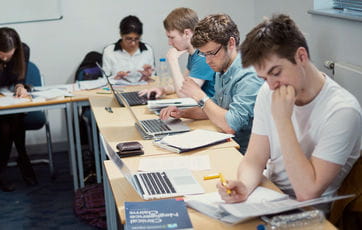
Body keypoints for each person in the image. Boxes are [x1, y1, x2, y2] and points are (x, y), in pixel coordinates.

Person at [217, 14, 361, 213]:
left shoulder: (343, 111)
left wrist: (283, 120)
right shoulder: (268, 91)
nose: (271, 85)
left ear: (301, 57)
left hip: (309, 213)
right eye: (264, 77)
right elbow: (254, 159)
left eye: (276, 73)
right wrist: (244, 185)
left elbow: (307, 192)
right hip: (270, 195)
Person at [159, 14, 263, 153]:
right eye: (203, 54)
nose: (208, 61)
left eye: (211, 53)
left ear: (231, 43)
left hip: (244, 153)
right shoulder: (223, 67)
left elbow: (230, 125)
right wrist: (183, 113)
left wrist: (199, 95)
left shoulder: (248, 75)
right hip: (228, 143)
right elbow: (215, 108)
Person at [0, 27, 37, 192]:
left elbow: (20, 77)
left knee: (15, 117)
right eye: (0, 54)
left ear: (16, 49)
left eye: (8, 54)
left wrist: (20, 86)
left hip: (12, 97)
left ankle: (10, 166)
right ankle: (19, 160)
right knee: (6, 122)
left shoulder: (23, 50)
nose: (4, 58)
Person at [139, 7, 215, 98]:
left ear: (187, 33)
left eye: (172, 37)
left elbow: (184, 94)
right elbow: (183, 84)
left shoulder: (203, 57)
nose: (169, 43)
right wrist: (163, 89)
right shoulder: (194, 54)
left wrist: (173, 60)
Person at [102, 15, 154, 83]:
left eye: (137, 39)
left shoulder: (147, 50)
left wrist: (148, 77)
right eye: (129, 39)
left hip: (143, 89)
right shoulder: (109, 51)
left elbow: (153, 78)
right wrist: (115, 78)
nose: (133, 43)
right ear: (121, 34)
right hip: (119, 90)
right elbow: (105, 80)